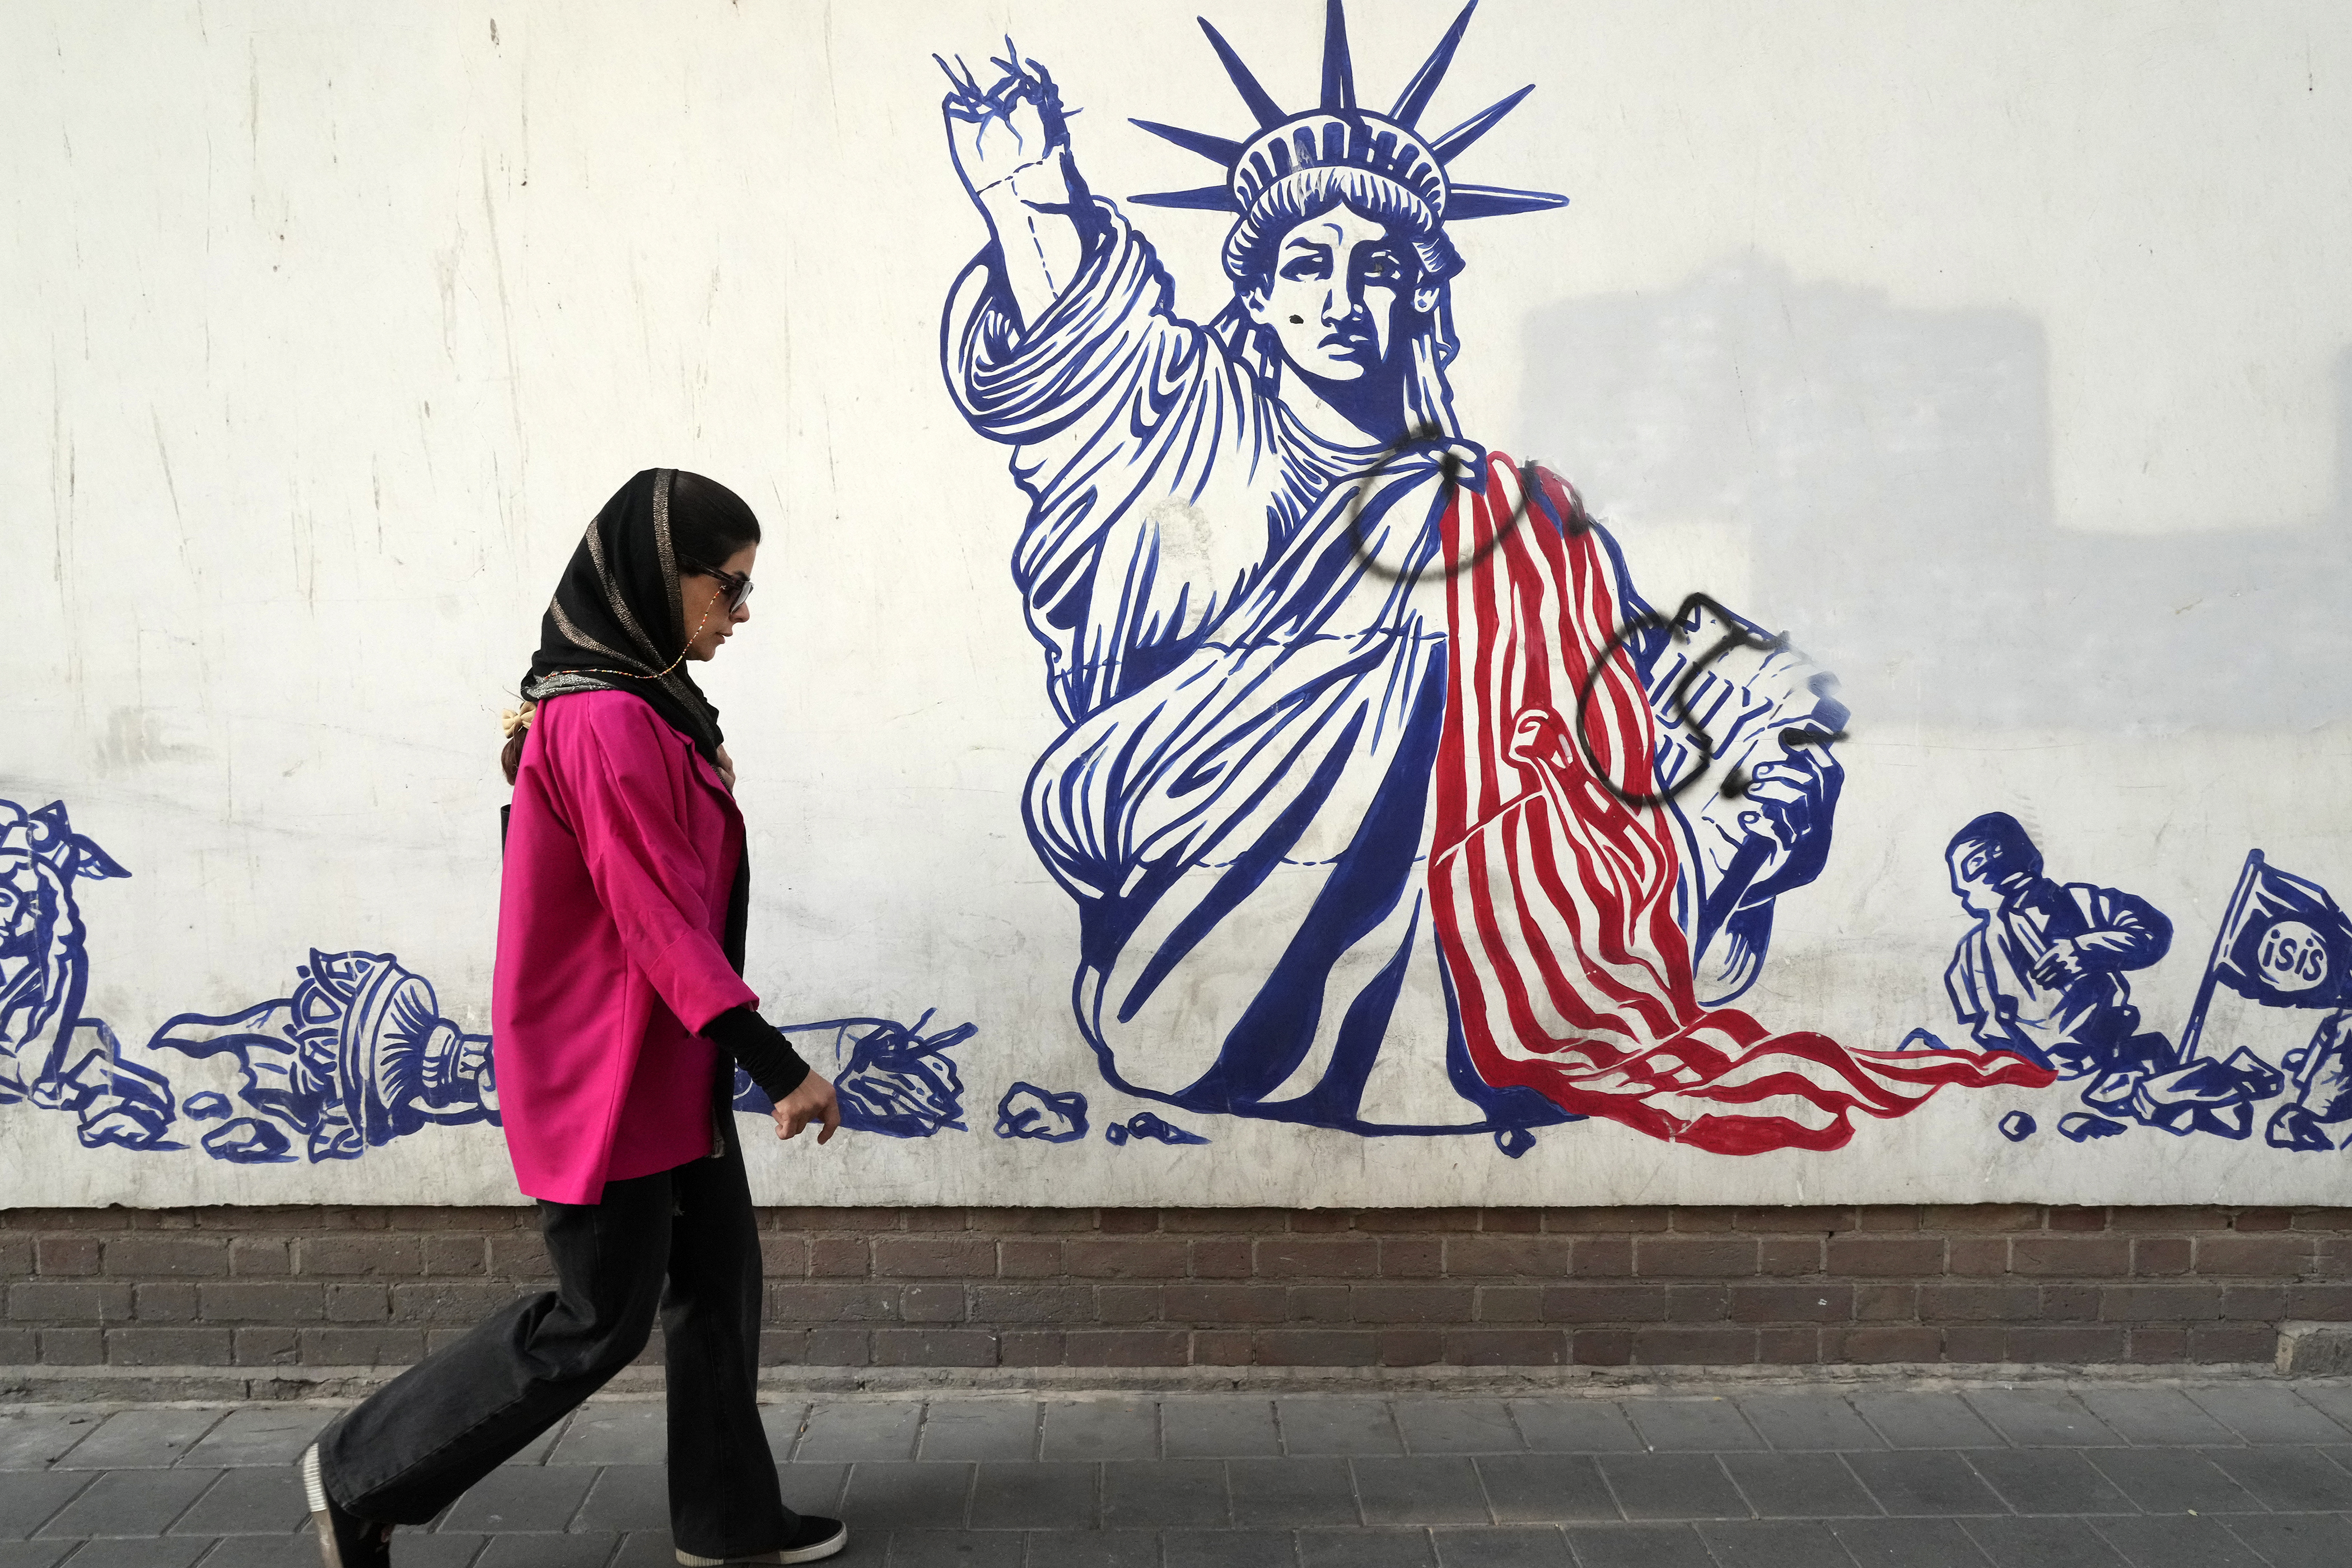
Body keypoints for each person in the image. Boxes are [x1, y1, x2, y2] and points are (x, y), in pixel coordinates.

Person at [936, 4, 2043, 1152]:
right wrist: (1032, 201)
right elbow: (1081, 360)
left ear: (1421, 296)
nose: (1340, 298)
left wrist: (1745, 706)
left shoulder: (1508, 510)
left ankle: (1524, 986)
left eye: (1378, 269)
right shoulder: (1186, 426)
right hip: (1200, 856)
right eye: (1306, 266)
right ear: (1259, 294)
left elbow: (1609, 678)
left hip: (1486, 893)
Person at [299, 469, 848, 1567]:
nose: (741, 612)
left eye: (749, 589)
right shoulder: (603, 718)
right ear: (658, 574)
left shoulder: (650, 705)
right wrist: (775, 1062)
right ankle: (360, 1469)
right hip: (606, 1071)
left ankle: (728, 1519)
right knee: (595, 1322)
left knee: (719, 1283)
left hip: (664, 1060)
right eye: (728, 586)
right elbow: (655, 916)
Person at [1943, 810, 2174, 1076]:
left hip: (2118, 1060)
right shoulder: (1970, 952)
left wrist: (2083, 951)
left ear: (1996, 854)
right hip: (2038, 1077)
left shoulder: (2081, 901)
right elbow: (1974, 1027)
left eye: (1968, 869)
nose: (1959, 888)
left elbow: (2153, 931)